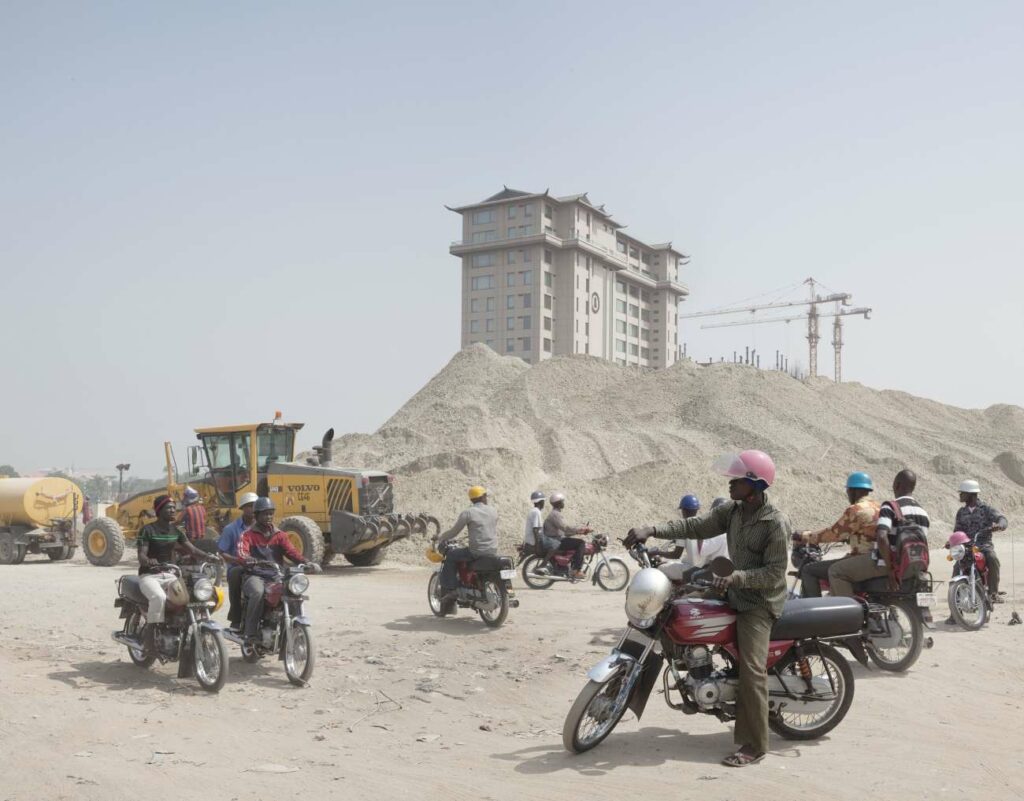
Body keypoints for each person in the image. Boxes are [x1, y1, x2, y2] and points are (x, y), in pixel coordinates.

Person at [625, 450, 788, 768]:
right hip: (730, 589)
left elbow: (774, 573)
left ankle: (754, 745)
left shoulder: (775, 523)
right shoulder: (733, 511)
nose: (730, 484)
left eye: (737, 480)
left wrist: (737, 577)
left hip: (758, 603)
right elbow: (697, 526)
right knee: (677, 608)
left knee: (752, 670)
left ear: (755, 485)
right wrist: (652, 529)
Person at [136, 495, 218, 653]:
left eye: (174, 507)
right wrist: (148, 560)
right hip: (149, 576)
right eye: (169, 507)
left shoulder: (176, 531)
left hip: (170, 575)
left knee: (189, 598)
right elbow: (141, 555)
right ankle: (150, 637)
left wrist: (209, 557)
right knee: (158, 597)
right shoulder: (148, 530)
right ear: (159, 510)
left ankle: (180, 631)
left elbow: (192, 550)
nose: (173, 510)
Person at [830, 469, 929, 598]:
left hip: (885, 564)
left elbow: (882, 537)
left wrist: (890, 570)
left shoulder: (890, 506)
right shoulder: (924, 513)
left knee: (836, 571)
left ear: (896, 485)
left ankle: (848, 610)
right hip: (912, 566)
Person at [236, 497, 320, 644]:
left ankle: (290, 628)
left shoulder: (280, 535)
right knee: (257, 592)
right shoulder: (247, 535)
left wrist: (307, 563)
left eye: (271, 513)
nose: (269, 517)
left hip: (276, 575)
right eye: (265, 514)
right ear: (256, 515)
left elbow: (292, 552)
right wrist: (248, 559)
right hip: (255, 575)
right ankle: (250, 633)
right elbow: (242, 553)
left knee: (293, 593)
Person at [794, 472, 880, 598]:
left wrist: (805, 536)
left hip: (862, 558)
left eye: (848, 491)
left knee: (809, 570)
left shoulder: (856, 509)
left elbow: (834, 533)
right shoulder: (878, 507)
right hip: (877, 558)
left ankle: (816, 608)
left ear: (852, 491)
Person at [436, 486, 499, 598]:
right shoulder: (493, 511)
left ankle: (451, 589)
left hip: (476, 552)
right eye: (485, 496)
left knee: (451, 555)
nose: (486, 498)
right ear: (483, 497)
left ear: (471, 499)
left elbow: (454, 532)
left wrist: (440, 538)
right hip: (493, 550)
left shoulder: (468, 513)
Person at [954, 479, 1008, 603]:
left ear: (970, 494)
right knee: (957, 567)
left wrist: (1000, 525)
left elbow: (1002, 518)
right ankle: (955, 601)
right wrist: (951, 542)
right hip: (966, 547)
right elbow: (957, 531)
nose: (960, 495)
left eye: (962, 493)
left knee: (993, 559)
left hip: (983, 545)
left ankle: (993, 593)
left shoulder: (986, 509)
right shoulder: (961, 512)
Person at [655, 495, 730, 580]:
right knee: (671, 563)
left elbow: (676, 554)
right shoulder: (726, 531)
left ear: (683, 510)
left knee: (660, 568)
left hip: (694, 570)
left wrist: (657, 552)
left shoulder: (684, 526)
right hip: (713, 569)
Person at [217, 492, 259, 630]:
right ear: (242, 508)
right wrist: (239, 561)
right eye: (249, 506)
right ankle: (236, 617)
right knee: (235, 575)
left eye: (255, 506)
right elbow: (222, 552)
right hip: (238, 566)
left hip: (260, 567)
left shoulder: (263, 527)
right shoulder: (231, 529)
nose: (252, 509)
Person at [542, 492, 591, 579]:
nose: (563, 503)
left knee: (575, 542)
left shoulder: (556, 513)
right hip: (556, 540)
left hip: (558, 538)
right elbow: (565, 528)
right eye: (562, 501)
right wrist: (580, 529)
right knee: (581, 543)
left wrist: (580, 532)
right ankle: (576, 570)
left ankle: (571, 565)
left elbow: (565, 531)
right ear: (558, 503)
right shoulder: (555, 514)